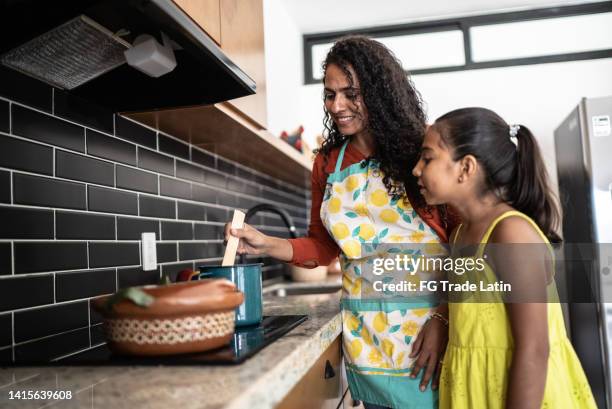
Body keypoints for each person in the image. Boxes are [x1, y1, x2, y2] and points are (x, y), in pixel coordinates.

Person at [225, 35, 457, 409]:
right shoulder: (327, 163)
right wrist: (265, 243)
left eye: (351, 93)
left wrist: (444, 319)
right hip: (369, 346)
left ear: (380, 93)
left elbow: (470, 243)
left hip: (429, 337)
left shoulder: (424, 150)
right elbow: (323, 247)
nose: (337, 105)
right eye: (330, 95)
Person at [412, 107, 597, 409]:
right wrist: (442, 317)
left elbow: (535, 349)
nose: (416, 169)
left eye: (427, 158)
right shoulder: (461, 235)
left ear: (466, 168)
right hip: (474, 391)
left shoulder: (510, 233)